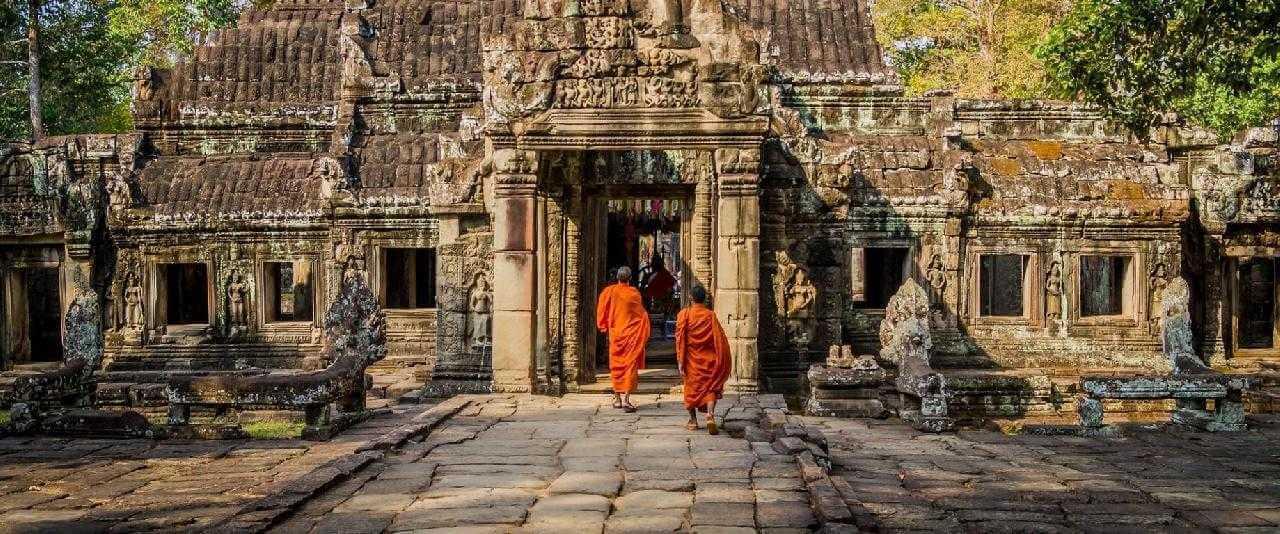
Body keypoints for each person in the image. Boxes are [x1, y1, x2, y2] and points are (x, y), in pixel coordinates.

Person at [676, 284, 732, 434]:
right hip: (709, 359)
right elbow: (719, 339)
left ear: (690, 298)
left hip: (691, 359)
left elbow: (680, 340)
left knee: (691, 390)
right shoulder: (710, 315)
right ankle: (710, 415)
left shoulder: (684, 315)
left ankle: (693, 421)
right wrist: (722, 357)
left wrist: (680, 360)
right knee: (710, 387)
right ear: (704, 299)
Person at [596, 266, 651, 412]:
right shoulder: (634, 294)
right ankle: (626, 399)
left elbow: (601, 310)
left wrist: (602, 325)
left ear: (617, 278)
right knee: (630, 366)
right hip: (631, 336)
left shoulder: (608, 292)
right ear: (630, 278)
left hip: (616, 335)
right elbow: (641, 315)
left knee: (616, 366)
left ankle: (617, 399)